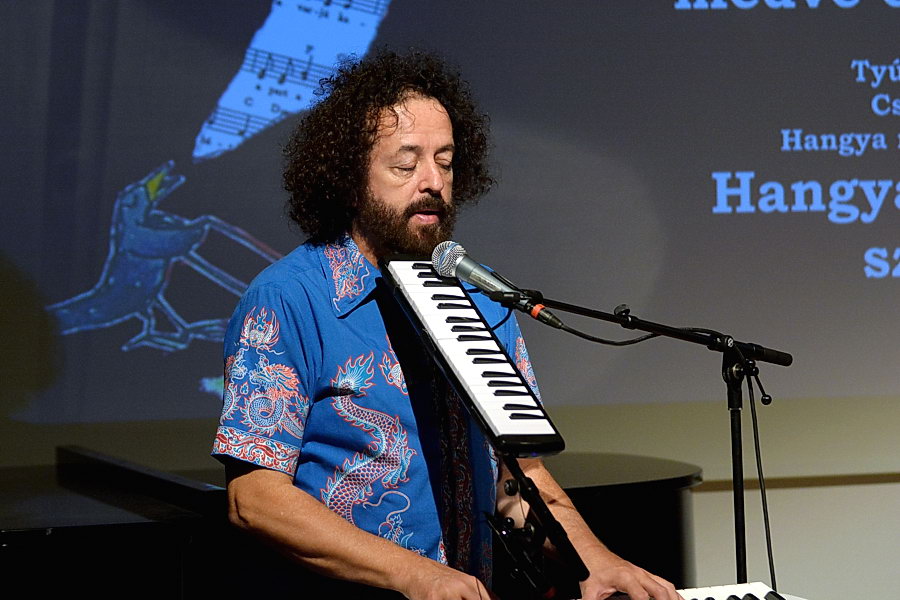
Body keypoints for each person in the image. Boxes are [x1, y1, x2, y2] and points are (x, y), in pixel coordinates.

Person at [212, 49, 680, 600]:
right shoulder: (289, 298)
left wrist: (595, 562)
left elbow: (517, 483)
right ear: (349, 179)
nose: (433, 181)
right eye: (406, 165)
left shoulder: (483, 299)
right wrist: (416, 574)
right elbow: (255, 499)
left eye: (446, 161)